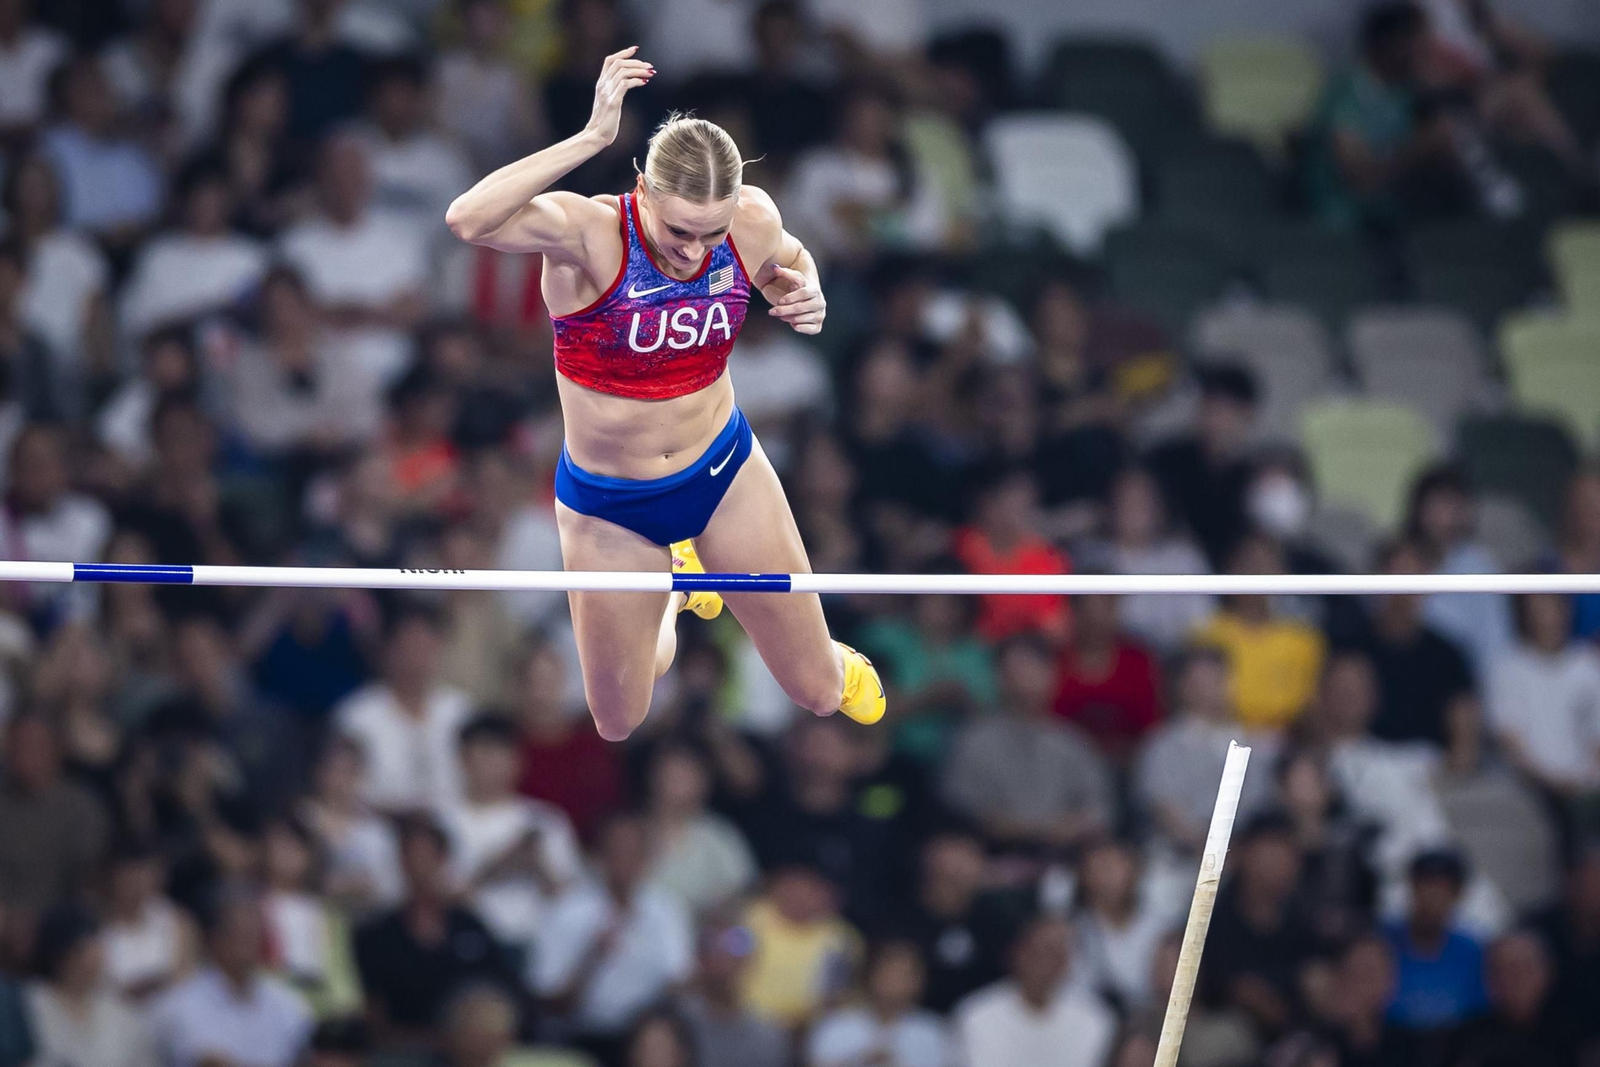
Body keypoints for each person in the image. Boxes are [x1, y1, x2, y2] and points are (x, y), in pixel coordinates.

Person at [445, 47, 885, 741]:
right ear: (643, 191)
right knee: (619, 720)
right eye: (679, 230)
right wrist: (592, 138)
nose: (693, 251)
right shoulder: (588, 235)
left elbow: (789, 258)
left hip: (724, 470)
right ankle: (678, 587)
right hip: (612, 506)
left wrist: (809, 287)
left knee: (820, 692)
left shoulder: (749, 221)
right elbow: (469, 219)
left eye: (710, 233)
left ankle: (811, 648)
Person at [353, 815, 522, 1043]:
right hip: (410, 1045)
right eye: (412, 856)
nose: (420, 865)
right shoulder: (378, 934)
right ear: (400, 862)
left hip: (475, 1040)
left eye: (428, 856)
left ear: (444, 860)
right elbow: (373, 1014)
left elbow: (501, 991)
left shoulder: (470, 925)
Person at [941, 635, 1113, 858]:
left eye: (1035, 668)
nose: (1026, 678)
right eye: (1017, 669)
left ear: (1053, 675)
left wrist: (1070, 828)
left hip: (1063, 857)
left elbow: (1100, 810)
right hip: (988, 858)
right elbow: (961, 812)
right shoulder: (972, 740)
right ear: (999, 676)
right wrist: (1035, 829)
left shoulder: (1073, 743)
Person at [1307, 2, 1472, 231]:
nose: (1427, 51)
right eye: (1419, 41)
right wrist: (1422, 147)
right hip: (1345, 229)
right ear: (1394, 42)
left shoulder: (1405, 94)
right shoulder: (1348, 92)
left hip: (1400, 223)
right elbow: (1359, 177)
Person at [534, 813, 695, 1043]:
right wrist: (591, 958)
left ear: (647, 859)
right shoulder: (566, 911)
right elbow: (548, 1003)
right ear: (597, 857)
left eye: (634, 853)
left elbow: (679, 983)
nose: (625, 862)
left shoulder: (666, 910)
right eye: (616, 852)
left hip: (643, 1036)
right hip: (580, 1034)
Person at [436, 713, 583, 957]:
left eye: (503, 753)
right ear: (462, 758)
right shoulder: (440, 821)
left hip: (535, 946)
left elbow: (572, 901)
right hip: (463, 946)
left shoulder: (546, 821)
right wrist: (497, 868)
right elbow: (432, 897)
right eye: (486, 752)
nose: (494, 763)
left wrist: (537, 866)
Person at [148, 884, 315, 1067]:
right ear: (213, 937)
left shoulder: (288, 1005)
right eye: (240, 932)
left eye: (255, 931)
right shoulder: (178, 1007)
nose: (250, 942)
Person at [1485, 593, 1600, 810]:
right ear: (1525, 615)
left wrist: (1586, 780)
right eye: (1539, 609)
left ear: (1567, 610)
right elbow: (1509, 741)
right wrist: (1554, 783)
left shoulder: (1590, 664)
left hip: (1589, 786)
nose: (1549, 618)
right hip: (1529, 789)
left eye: (1555, 607)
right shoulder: (1508, 668)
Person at [954, 916, 1116, 1067]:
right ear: (1018, 953)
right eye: (1043, 951)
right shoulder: (975, 1016)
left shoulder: (1095, 1019)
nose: (1051, 962)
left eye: (1060, 953)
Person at [25, 905, 156, 1067]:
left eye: (97, 947)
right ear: (60, 954)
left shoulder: (120, 1011)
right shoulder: (28, 1002)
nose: (95, 956)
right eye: (80, 950)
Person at [644, 743, 758, 920]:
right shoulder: (634, 831)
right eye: (671, 776)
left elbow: (742, 891)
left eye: (686, 776)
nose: (678, 784)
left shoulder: (719, 834)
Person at [1384, 850, 1487, 1036]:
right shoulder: (1381, 945)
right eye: (1425, 886)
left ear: (1458, 895)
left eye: (1442, 890)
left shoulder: (1473, 953)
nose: (1432, 898)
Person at [1445, 931, 1578, 1067]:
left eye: (1519, 971)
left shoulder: (1573, 1037)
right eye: (1498, 971)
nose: (1509, 981)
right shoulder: (1467, 1041)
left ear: (1546, 974)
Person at [806, 941, 950, 1067]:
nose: (896, 983)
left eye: (905, 974)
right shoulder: (836, 1027)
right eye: (890, 974)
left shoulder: (932, 1032)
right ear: (869, 975)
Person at [677, 922, 791, 1067]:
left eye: (736, 949)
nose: (726, 964)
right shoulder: (672, 1024)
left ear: (751, 962)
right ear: (699, 959)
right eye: (715, 950)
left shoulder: (768, 1037)